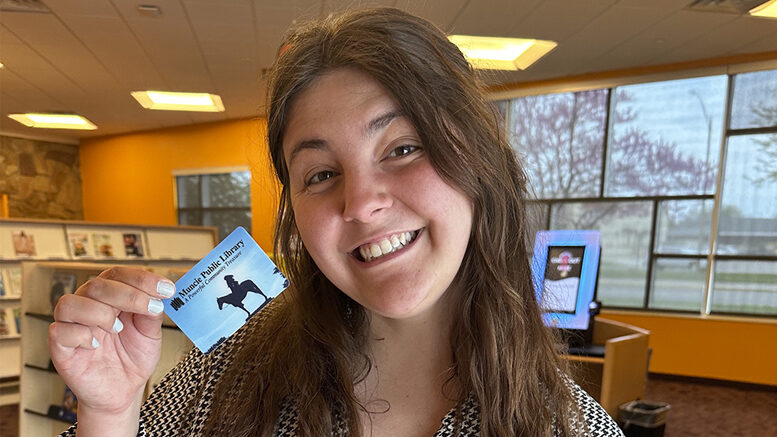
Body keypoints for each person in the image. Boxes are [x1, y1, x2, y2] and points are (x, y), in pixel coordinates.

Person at [50, 7, 624, 437]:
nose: (361, 203)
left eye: (403, 148)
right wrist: (111, 411)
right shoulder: (233, 364)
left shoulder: (571, 427)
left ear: (478, 160)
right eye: (321, 174)